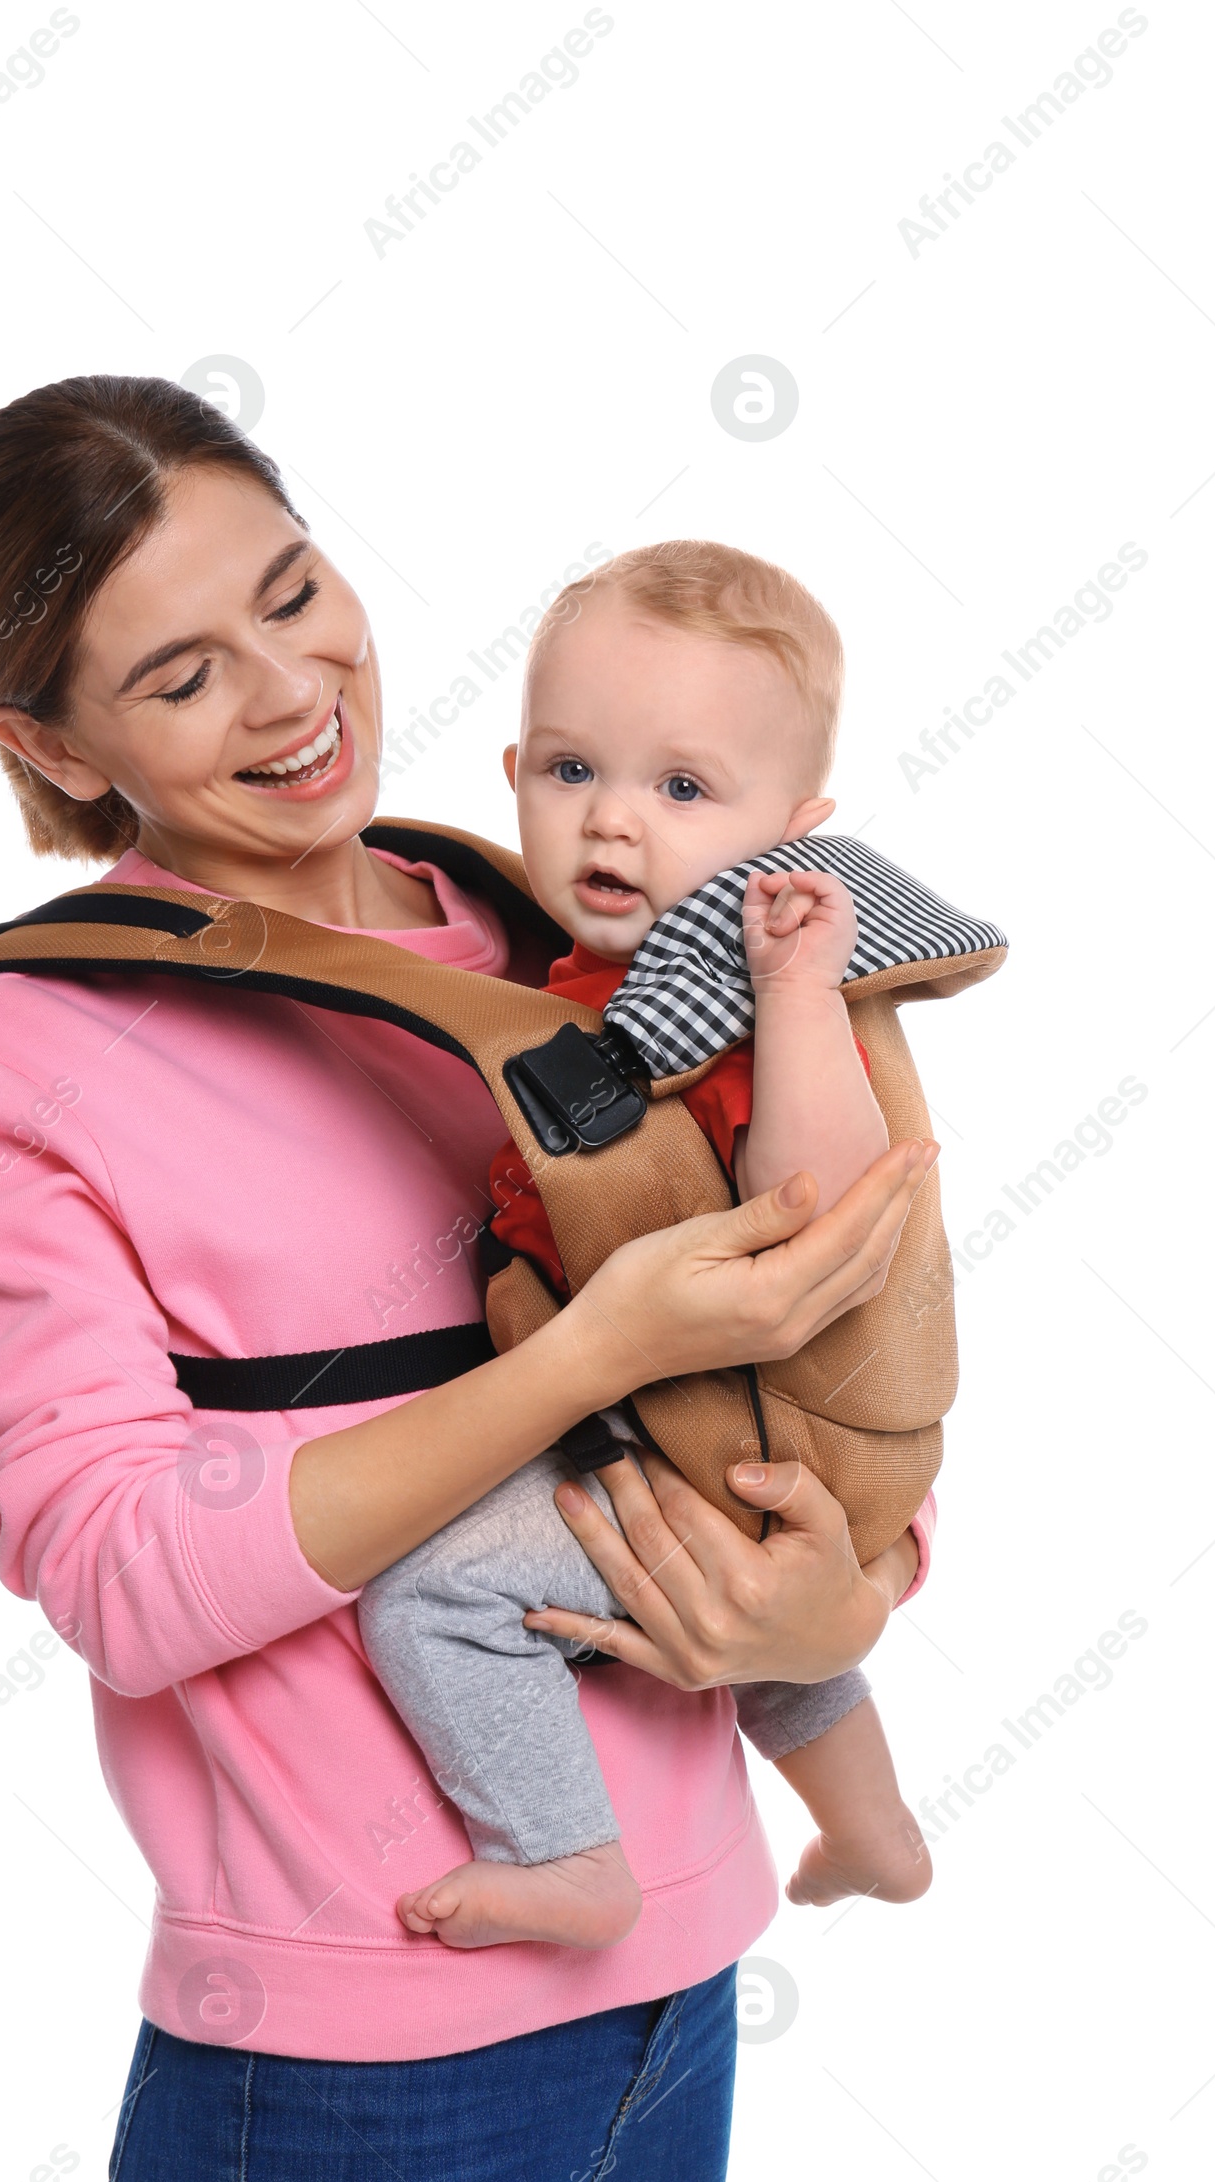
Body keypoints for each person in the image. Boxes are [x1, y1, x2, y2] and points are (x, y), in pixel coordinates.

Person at [0, 374, 935, 2182]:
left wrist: (843, 1596)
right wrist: (597, 1348)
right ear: (45, 744)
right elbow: (109, 1569)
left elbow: (830, 1320)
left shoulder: (547, 913)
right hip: (355, 2063)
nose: (293, 694)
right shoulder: (25, 1049)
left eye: (297, 594)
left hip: (681, 1985)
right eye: (182, 675)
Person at [361, 541, 957, 1953]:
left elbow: (820, 1198)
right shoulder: (593, 984)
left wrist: (802, 994)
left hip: (749, 1441)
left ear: (796, 831)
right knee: (764, 1637)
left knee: (437, 1591)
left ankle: (567, 1859)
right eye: (572, 772)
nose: (614, 825)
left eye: (683, 790)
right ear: (511, 774)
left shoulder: (747, 983)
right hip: (714, 1444)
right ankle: (873, 1831)